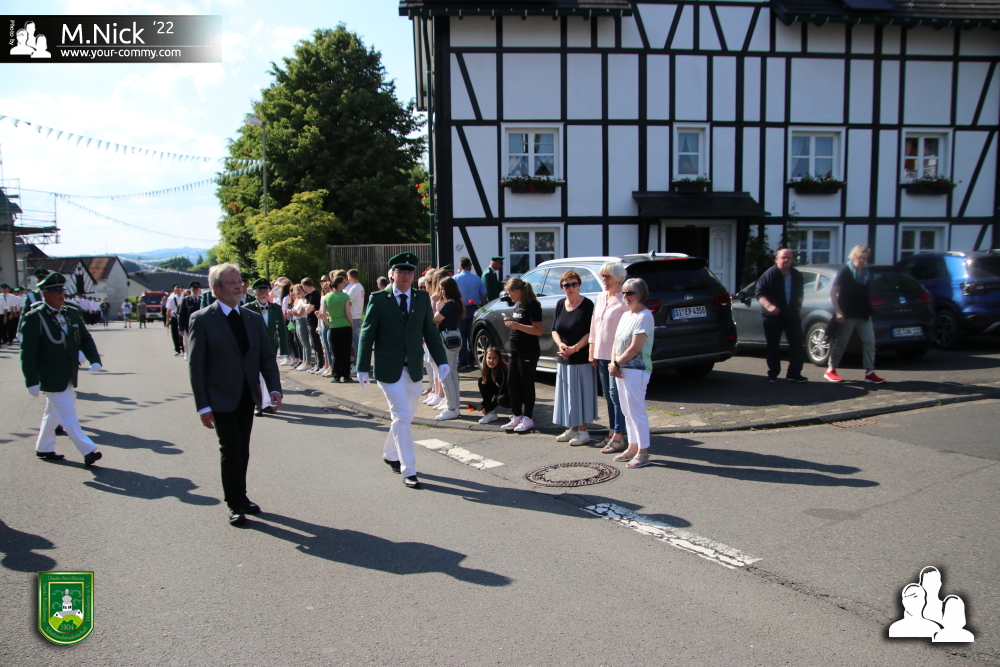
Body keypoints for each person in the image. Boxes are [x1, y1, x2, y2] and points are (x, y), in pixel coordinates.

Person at [188, 264, 282, 526]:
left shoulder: (252, 318)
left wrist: (274, 388)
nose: (239, 286)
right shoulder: (202, 319)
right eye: (232, 283)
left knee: (243, 449)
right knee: (230, 448)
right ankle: (233, 503)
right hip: (219, 397)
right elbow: (196, 367)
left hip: (246, 395)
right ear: (216, 288)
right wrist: (203, 406)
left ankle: (242, 495)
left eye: (240, 281)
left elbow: (266, 357)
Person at [357, 253, 449, 489]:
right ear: (392, 275)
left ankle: (390, 453)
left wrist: (441, 361)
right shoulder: (379, 299)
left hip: (414, 368)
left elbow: (430, 332)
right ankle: (409, 469)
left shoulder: (421, 298)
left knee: (404, 417)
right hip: (388, 368)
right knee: (401, 415)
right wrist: (362, 366)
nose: (406, 276)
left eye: (410, 272)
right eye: (401, 272)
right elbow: (367, 333)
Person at [18, 272, 104, 466]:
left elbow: (85, 338)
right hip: (49, 374)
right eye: (56, 292)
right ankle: (88, 450)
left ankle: (44, 447)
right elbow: (27, 353)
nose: (61, 295)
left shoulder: (70, 312)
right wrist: (31, 381)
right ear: (45, 294)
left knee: (54, 411)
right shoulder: (35, 317)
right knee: (67, 412)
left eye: (62, 290)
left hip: (68, 372)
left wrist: (94, 359)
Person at [609, 277, 655, 469]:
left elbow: (635, 348)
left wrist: (616, 363)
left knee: (636, 411)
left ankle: (643, 452)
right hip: (622, 369)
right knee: (627, 411)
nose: (626, 296)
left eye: (630, 293)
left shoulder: (645, 316)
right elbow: (616, 342)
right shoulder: (626, 315)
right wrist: (614, 363)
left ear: (641, 294)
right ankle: (632, 447)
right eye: (624, 292)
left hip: (637, 370)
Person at [825, 245, 884, 384]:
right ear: (854, 256)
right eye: (860, 258)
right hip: (847, 312)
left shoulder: (865, 272)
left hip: (863, 312)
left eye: (865, 258)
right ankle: (831, 369)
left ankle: (869, 372)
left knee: (869, 341)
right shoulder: (845, 271)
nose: (862, 261)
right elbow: (833, 293)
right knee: (842, 342)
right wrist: (838, 311)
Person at [552, 270, 597, 446]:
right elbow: (554, 329)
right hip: (564, 357)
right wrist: (561, 345)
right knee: (568, 395)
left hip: (581, 358)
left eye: (574, 284)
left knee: (582, 395)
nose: (570, 288)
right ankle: (572, 428)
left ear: (579, 285)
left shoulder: (587, 305)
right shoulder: (560, 304)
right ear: (562, 287)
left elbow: (590, 332)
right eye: (567, 285)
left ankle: (583, 431)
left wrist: (575, 348)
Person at [589, 261, 629, 452]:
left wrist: (620, 360)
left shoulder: (624, 300)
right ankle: (612, 432)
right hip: (601, 353)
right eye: (602, 276)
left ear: (619, 278)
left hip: (617, 357)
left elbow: (628, 330)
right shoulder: (600, 297)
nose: (604, 280)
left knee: (616, 395)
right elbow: (594, 325)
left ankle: (620, 436)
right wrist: (592, 350)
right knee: (607, 394)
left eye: (608, 276)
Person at [755, 248, 807, 383]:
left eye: (789, 258)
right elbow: (759, 294)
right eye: (783, 257)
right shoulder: (769, 274)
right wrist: (769, 306)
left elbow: (800, 293)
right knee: (773, 345)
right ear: (777, 259)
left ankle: (794, 373)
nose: (786, 260)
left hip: (791, 314)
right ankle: (773, 374)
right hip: (772, 315)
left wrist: (799, 304)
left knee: (797, 343)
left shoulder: (796, 275)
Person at [500, 277, 544, 433]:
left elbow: (538, 330)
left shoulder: (533, 305)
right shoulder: (518, 304)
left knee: (526, 383)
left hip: (528, 350)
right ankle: (517, 415)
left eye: (509, 292)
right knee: (512, 382)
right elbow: (519, 324)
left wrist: (516, 325)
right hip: (515, 349)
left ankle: (528, 417)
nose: (508, 296)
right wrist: (511, 322)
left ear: (517, 291)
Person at [248, 277, 289, 416]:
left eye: (265, 291)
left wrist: (284, 350)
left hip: (271, 347)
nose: (263, 294)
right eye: (260, 291)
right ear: (255, 293)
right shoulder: (247, 308)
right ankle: (258, 403)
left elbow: (282, 329)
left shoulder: (275, 308)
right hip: (253, 348)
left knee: (268, 374)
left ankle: (265, 404)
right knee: (256, 376)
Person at [433, 276, 465, 420]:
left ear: (448, 289)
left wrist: (434, 303)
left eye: (442, 289)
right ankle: (454, 406)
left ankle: (452, 408)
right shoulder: (457, 302)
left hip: (446, 338)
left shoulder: (449, 303)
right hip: (454, 337)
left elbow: (435, 319)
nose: (440, 292)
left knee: (445, 374)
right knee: (451, 373)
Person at [454, 257, 487, 371]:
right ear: (469, 265)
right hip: (474, 308)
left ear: (460, 266)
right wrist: (482, 306)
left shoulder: (455, 279)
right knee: (471, 335)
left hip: (460, 309)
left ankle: (462, 361)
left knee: (461, 336)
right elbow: (483, 294)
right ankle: (471, 360)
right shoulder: (476, 278)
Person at [323, 275, 354, 382]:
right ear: (338, 284)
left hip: (333, 326)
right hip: (345, 325)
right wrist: (351, 322)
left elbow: (323, 313)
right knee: (345, 351)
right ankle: (346, 375)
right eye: (343, 282)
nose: (344, 284)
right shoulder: (345, 296)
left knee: (335, 352)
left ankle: (336, 376)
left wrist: (327, 323)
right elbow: (348, 312)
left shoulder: (327, 296)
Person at [475, 347, 509, 424]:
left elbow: (503, 391)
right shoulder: (488, 369)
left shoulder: (504, 371)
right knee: (482, 381)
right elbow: (491, 390)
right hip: (503, 392)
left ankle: (519, 411)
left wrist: (487, 408)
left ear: (499, 359)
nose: (491, 361)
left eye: (494, 358)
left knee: (501, 399)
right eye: (489, 358)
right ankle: (491, 414)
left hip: (515, 395)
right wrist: (483, 404)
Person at [344, 269, 365, 373]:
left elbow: (347, 301)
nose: (348, 279)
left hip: (353, 317)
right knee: (355, 341)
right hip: (357, 315)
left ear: (351, 277)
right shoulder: (360, 287)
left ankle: (357, 364)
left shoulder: (354, 288)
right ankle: (357, 363)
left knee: (355, 341)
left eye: (348, 277)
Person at [291, 284, 315, 371]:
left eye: (299, 290)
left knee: (305, 343)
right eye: (296, 290)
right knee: (302, 343)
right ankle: (304, 362)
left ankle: (307, 362)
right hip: (298, 321)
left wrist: (291, 311)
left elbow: (299, 313)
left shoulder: (305, 299)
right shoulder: (299, 300)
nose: (298, 292)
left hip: (302, 320)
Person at [178, 280, 204, 359]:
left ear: (199, 290)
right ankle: (187, 353)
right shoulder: (186, 300)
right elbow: (181, 314)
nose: (195, 291)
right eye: (193, 289)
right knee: (186, 339)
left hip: (200, 324)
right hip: (188, 323)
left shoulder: (202, 299)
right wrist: (181, 327)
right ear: (190, 290)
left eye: (196, 289)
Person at [164, 284, 184, 354]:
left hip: (182, 317)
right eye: (177, 290)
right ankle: (177, 349)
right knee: (174, 333)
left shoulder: (184, 297)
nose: (179, 292)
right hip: (175, 317)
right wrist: (167, 320)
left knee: (183, 333)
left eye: (180, 290)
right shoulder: (171, 299)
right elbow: (168, 310)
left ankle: (184, 348)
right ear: (174, 291)